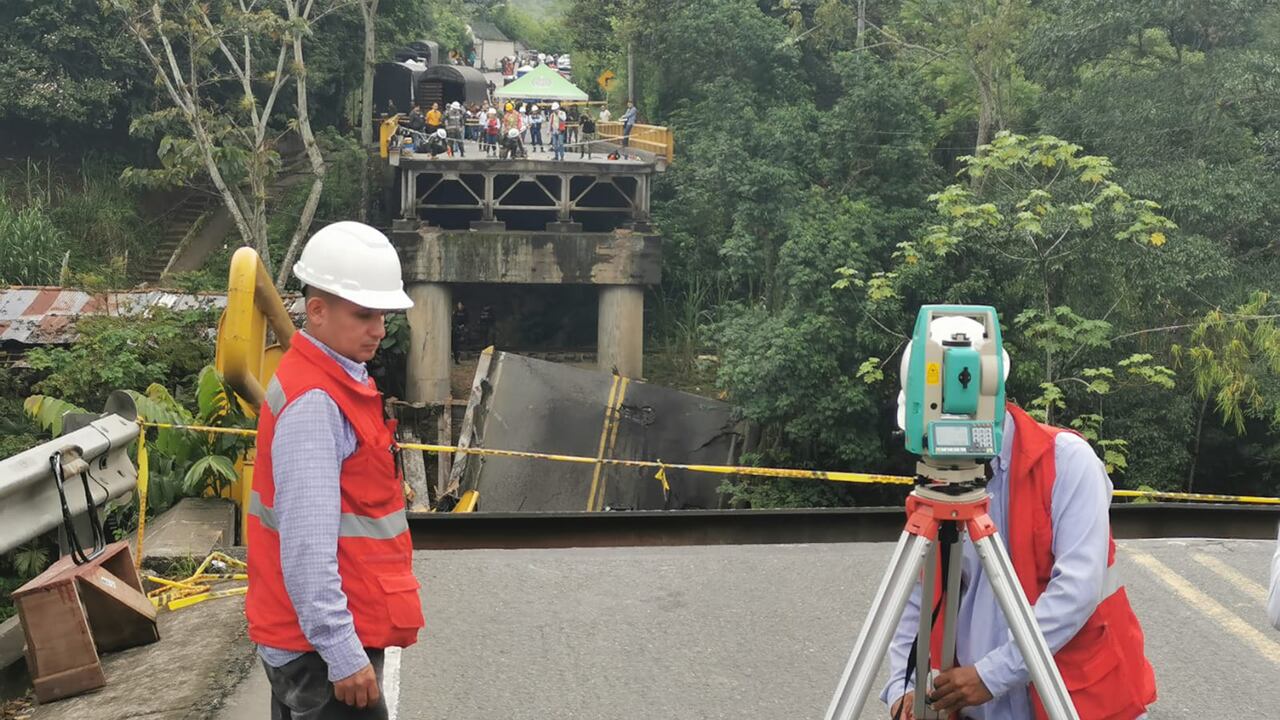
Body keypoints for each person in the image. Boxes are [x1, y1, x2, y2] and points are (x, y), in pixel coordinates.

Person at [881, 315, 1156, 720]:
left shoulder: (1066, 461)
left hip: (1078, 700)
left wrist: (990, 676)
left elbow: (1076, 591)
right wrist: (902, 688)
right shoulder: (939, 485)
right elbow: (917, 598)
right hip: (981, 708)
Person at [247, 221, 423, 720]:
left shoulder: (331, 378)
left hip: (310, 640)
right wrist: (342, 655)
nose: (379, 329)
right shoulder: (318, 403)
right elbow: (306, 545)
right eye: (364, 315)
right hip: (320, 652)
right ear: (318, 311)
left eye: (383, 315)